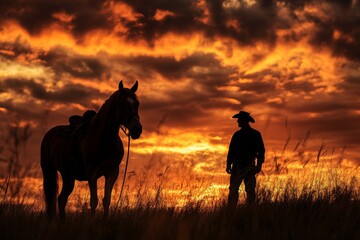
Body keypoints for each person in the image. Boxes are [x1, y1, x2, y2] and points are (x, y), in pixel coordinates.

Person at [226, 111, 265, 208]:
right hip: (246, 165)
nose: (237, 121)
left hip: (241, 166)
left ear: (244, 121)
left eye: (239, 119)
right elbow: (261, 151)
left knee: (236, 190)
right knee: (248, 190)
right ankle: (248, 210)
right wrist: (258, 165)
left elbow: (231, 151)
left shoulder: (238, 135)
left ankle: (232, 211)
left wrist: (229, 164)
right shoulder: (255, 134)